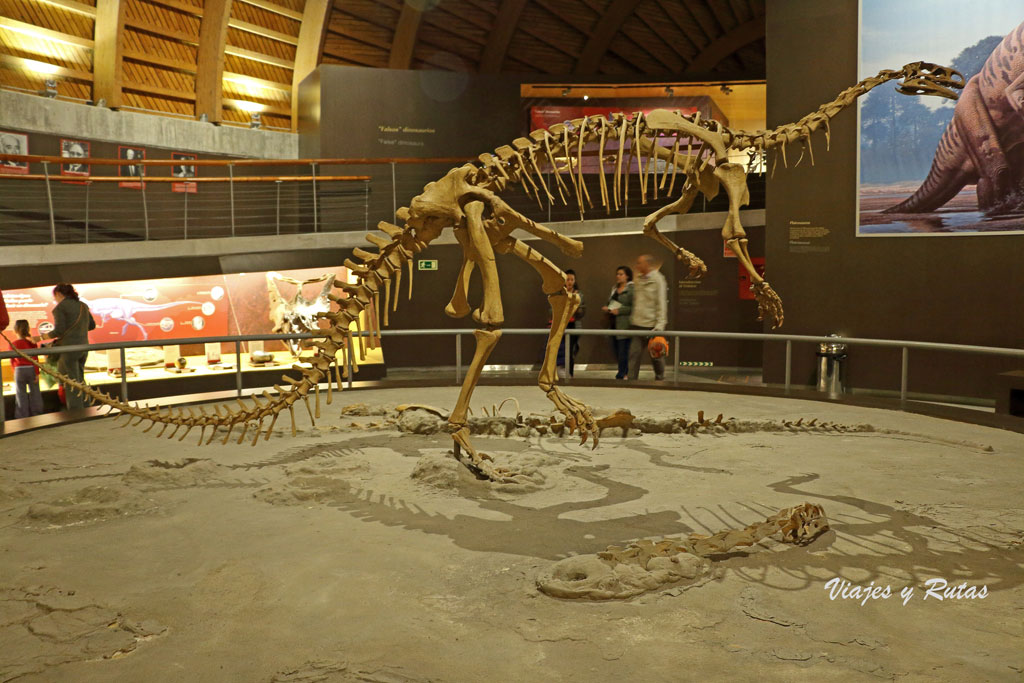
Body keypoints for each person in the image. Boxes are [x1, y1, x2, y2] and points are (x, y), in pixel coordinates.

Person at [32, 283, 96, 410]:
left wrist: (40, 337)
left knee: (71, 382)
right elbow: (92, 325)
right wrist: (79, 330)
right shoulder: (83, 306)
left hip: (68, 349)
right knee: (80, 380)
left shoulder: (60, 308)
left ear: (58, 294)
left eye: (54, 296)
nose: (55, 299)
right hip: (84, 348)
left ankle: (76, 413)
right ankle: (87, 408)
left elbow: (59, 331)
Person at [628, 254, 668, 381]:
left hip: (652, 328)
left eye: (639, 263)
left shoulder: (658, 279)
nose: (637, 266)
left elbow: (661, 303)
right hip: (637, 326)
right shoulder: (638, 279)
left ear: (647, 264)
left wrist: (659, 326)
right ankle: (631, 383)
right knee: (633, 356)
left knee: (657, 358)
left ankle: (660, 381)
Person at [601, 265, 634, 380]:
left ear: (627, 276)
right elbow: (610, 302)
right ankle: (622, 371)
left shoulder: (631, 289)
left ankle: (623, 373)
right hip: (613, 323)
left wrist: (619, 311)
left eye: (621, 274)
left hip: (624, 324)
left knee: (623, 350)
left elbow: (633, 307)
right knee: (616, 349)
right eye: (617, 274)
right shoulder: (614, 288)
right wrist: (608, 308)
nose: (618, 276)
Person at [555, 269, 585, 379]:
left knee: (571, 350)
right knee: (560, 349)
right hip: (561, 325)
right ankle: (559, 372)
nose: (570, 282)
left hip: (574, 325)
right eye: (568, 279)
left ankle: (570, 375)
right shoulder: (559, 293)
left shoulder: (579, 294)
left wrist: (574, 301)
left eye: (572, 280)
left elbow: (582, 311)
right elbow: (553, 309)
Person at [11, 320, 43, 418]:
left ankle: (22, 417)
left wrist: (14, 372)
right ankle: (37, 414)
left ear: (15, 330)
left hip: (19, 370)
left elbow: (12, 361)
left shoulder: (13, 344)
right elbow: (35, 359)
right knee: (35, 393)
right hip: (31, 369)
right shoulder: (32, 343)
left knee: (20, 395)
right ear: (28, 329)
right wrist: (37, 373)